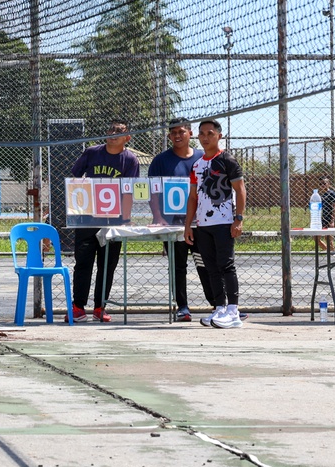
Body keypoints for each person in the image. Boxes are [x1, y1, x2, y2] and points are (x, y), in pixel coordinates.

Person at [67, 119, 140, 323]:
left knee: (107, 264)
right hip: (87, 218)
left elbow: (128, 192)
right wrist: (78, 206)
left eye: (119, 131)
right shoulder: (92, 152)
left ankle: (100, 306)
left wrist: (125, 219)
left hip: (113, 219)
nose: (113, 133)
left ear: (127, 138)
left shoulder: (130, 160)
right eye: (110, 129)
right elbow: (75, 179)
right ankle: (78, 307)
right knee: (83, 263)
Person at [148, 118, 212, 323]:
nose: (177, 135)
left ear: (190, 134)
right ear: (169, 136)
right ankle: (182, 307)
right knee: (178, 266)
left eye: (181, 132)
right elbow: (153, 192)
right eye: (173, 132)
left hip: (200, 224)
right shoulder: (160, 160)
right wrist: (158, 217)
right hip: (174, 224)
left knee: (206, 265)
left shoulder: (204, 158)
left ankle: (218, 304)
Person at [185, 119, 247, 329]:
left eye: (210, 133)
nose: (205, 137)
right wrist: (188, 226)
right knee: (211, 268)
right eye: (201, 134)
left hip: (224, 223)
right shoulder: (197, 164)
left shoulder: (227, 160)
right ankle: (219, 307)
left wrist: (238, 219)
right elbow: (193, 198)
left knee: (226, 265)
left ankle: (233, 311)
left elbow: (240, 190)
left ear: (219, 136)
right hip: (203, 225)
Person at [314, 175, 335, 253]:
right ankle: (329, 252)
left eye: (324, 183)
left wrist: (332, 220)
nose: (322, 185)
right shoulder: (322, 195)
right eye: (320, 184)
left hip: (329, 218)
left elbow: (334, 207)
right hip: (323, 218)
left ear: (328, 184)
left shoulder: (331, 193)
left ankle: (332, 252)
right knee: (316, 238)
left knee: (328, 238)